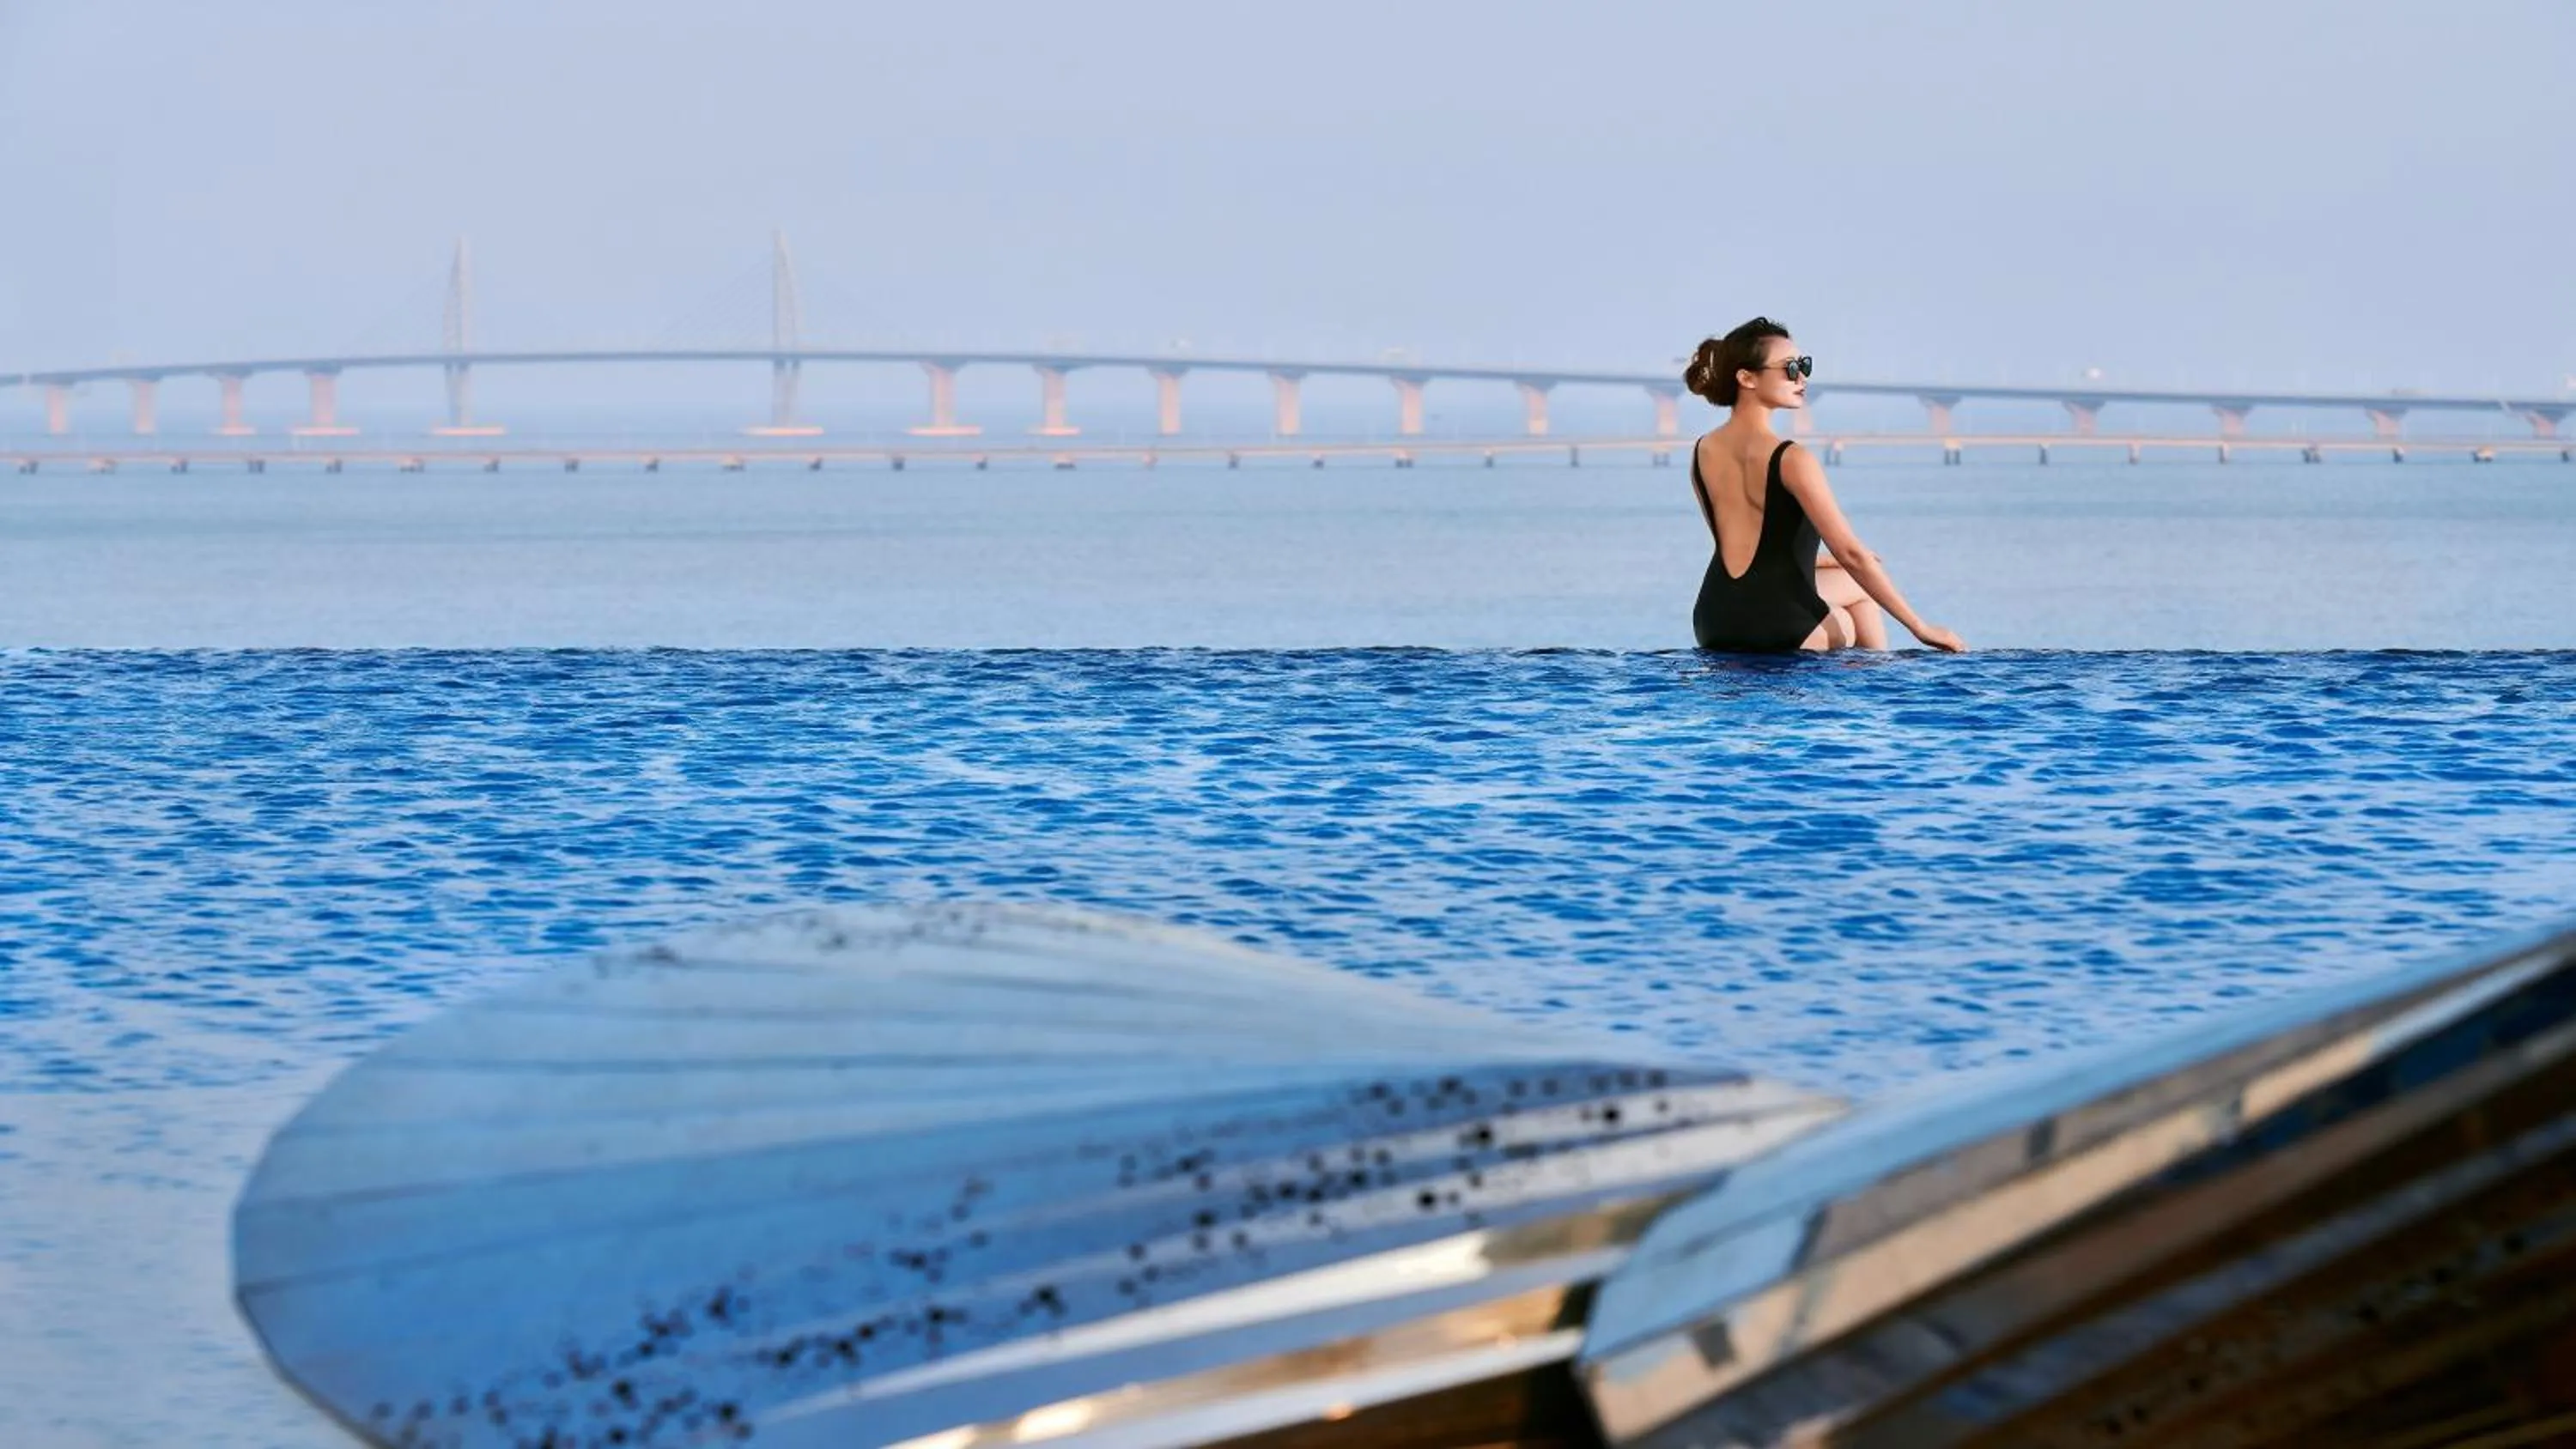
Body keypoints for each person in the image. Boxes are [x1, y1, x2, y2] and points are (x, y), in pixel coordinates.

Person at [1683, 318, 1966, 654]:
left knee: (1853, 581)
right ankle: (1879, 678)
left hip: (1714, 620)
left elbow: (1741, 549)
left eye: (1804, 366)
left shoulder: (1702, 451)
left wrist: (1825, 562)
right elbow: (1852, 554)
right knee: (1860, 599)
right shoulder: (1792, 458)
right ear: (1746, 378)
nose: (1802, 378)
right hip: (1779, 628)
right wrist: (1922, 628)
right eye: (1790, 368)